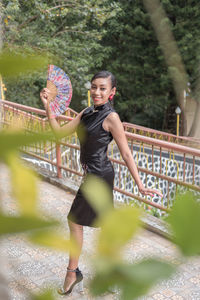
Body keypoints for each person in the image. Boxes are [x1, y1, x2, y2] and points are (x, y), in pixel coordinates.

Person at [40, 70, 162, 295]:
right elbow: (58, 133)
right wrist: (48, 105)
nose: (97, 91)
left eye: (102, 88)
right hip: (91, 175)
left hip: (99, 177)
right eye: (94, 86)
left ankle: (73, 272)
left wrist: (140, 184)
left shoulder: (111, 118)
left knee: (74, 221)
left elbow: (126, 153)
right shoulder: (86, 112)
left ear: (112, 92)